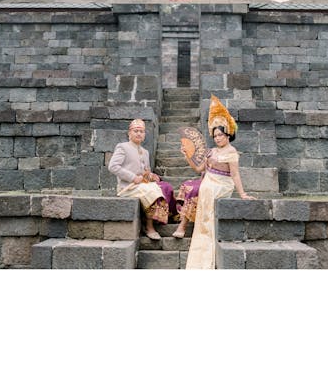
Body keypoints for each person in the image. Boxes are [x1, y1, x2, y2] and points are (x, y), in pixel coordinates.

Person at [175, 96, 255, 269]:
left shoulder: (232, 153)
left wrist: (242, 194)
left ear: (228, 135)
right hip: (209, 180)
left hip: (222, 183)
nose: (217, 138)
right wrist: (187, 156)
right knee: (198, 187)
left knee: (207, 190)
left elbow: (235, 175)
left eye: (220, 135)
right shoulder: (211, 151)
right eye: (215, 135)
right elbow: (199, 169)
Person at [108, 118, 176, 240]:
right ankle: (149, 226)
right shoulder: (123, 147)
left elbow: (146, 172)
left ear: (144, 134)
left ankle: (164, 218)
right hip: (128, 187)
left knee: (166, 187)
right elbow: (113, 166)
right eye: (136, 131)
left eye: (141, 131)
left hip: (143, 185)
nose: (139, 133)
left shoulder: (145, 152)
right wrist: (133, 177)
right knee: (152, 191)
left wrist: (151, 176)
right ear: (129, 133)